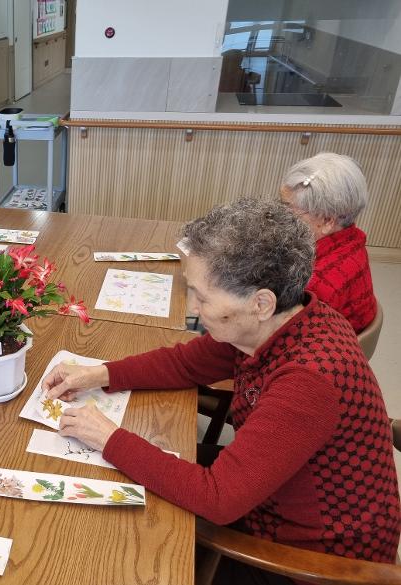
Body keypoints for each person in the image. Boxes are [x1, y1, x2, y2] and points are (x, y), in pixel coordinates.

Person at [42, 199, 399, 582]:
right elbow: (185, 363)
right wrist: (96, 374)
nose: (194, 308)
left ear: (261, 303)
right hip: (272, 493)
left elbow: (218, 500)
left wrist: (107, 437)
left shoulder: (307, 381)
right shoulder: (282, 320)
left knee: (122, 548)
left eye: (203, 297)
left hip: (312, 558)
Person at [280, 152, 376, 333]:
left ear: (327, 221)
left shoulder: (316, 287)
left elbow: (287, 334)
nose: (282, 216)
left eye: (290, 210)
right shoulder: (351, 236)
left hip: (316, 340)